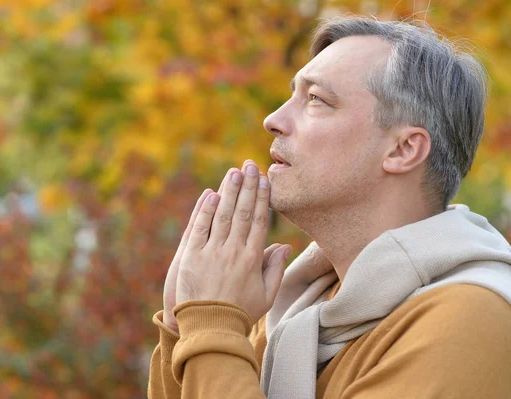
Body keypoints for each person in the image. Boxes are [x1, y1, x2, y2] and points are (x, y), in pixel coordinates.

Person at [148, 15, 511, 399]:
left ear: (403, 149)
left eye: (316, 99)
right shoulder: (290, 316)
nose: (273, 120)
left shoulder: (470, 317)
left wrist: (212, 326)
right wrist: (183, 326)